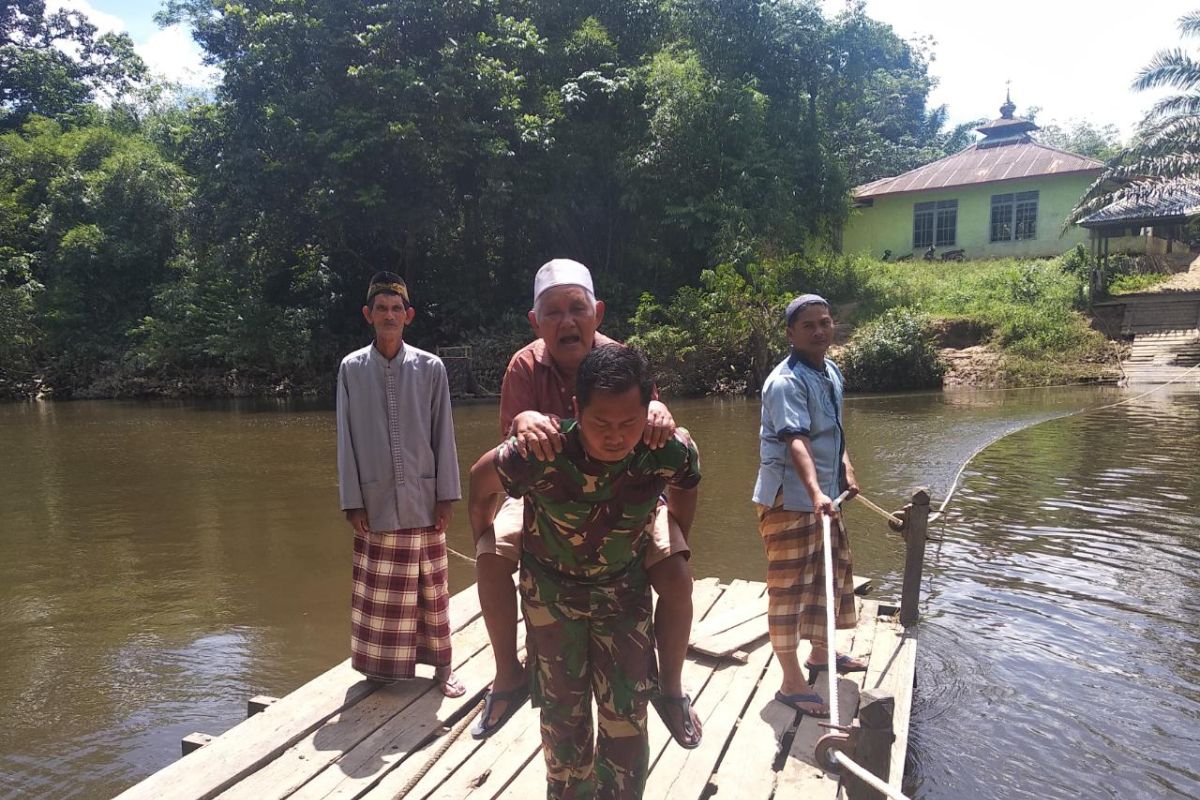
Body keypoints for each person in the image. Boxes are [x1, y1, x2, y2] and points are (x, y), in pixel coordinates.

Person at [471, 259, 701, 749]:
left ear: (596, 312)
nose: (566, 322)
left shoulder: (623, 359)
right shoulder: (523, 366)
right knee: (490, 558)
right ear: (536, 322)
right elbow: (503, 462)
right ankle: (509, 676)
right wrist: (523, 422)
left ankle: (673, 690)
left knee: (677, 575)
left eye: (577, 309)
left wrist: (661, 412)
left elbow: (654, 426)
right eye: (552, 312)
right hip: (549, 499)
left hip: (628, 496)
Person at [335, 271, 466, 697]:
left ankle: (443, 666)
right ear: (368, 315)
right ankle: (381, 669)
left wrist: (446, 493)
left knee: (432, 587)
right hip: (375, 498)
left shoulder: (431, 367)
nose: (389, 316)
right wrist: (352, 501)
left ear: (408, 316)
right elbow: (345, 439)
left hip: (423, 497)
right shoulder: (351, 369)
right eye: (381, 309)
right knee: (380, 592)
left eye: (396, 309)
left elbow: (442, 434)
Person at [752, 294, 866, 717]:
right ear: (790, 334)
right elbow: (795, 440)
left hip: (824, 497)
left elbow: (832, 432)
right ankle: (790, 682)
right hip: (790, 500)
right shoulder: (786, 382)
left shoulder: (831, 371)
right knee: (788, 591)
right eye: (808, 326)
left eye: (825, 322)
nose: (819, 331)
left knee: (829, 577)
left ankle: (821, 654)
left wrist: (846, 468)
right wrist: (817, 491)